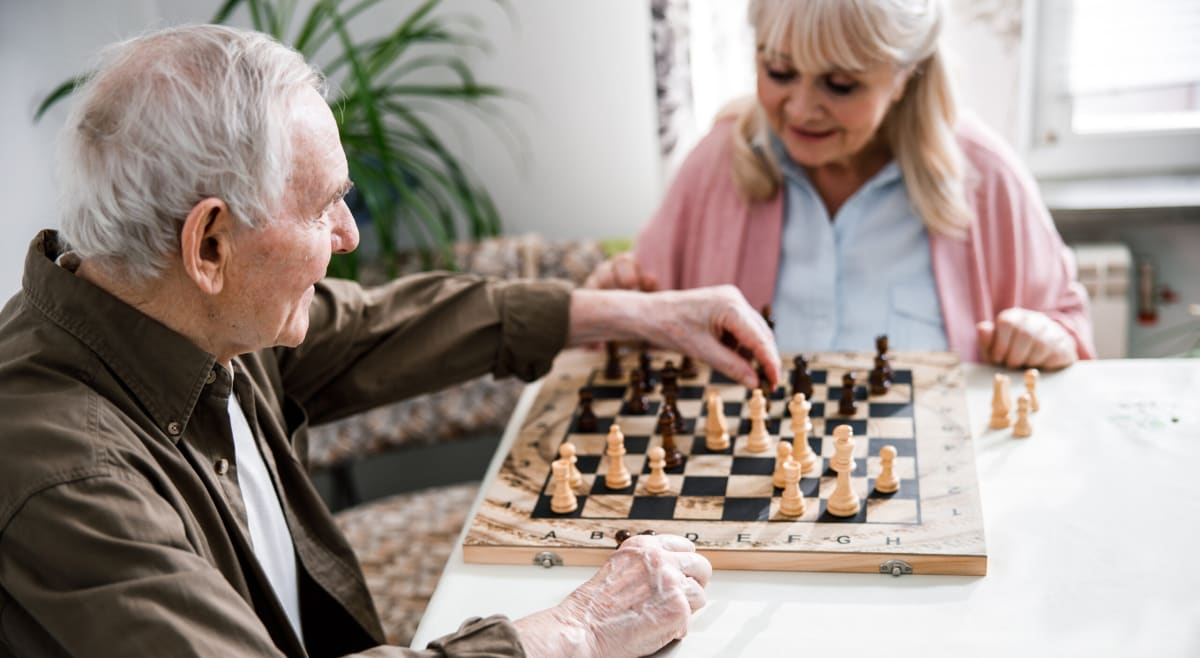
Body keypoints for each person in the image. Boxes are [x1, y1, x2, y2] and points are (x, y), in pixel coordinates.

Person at [0, 25, 782, 658]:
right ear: (210, 244)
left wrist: (633, 316)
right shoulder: (70, 480)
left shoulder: (182, 314)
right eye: (322, 207)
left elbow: (377, 326)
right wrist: (575, 629)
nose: (346, 236)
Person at [587, 0, 1095, 370]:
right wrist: (615, 310)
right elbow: (632, 337)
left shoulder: (986, 177)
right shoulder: (715, 165)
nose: (802, 109)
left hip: (934, 495)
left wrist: (1048, 338)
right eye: (779, 71)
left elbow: (1067, 326)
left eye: (841, 84)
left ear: (904, 76)